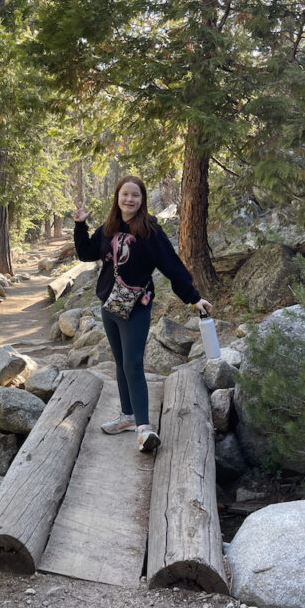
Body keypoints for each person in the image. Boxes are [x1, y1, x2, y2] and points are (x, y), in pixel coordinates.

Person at [73, 175, 212, 452]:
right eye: (125, 194)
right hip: (109, 305)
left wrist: (193, 298)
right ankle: (127, 415)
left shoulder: (149, 230)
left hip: (136, 306)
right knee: (120, 361)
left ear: (142, 199)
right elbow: (87, 254)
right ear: (117, 197)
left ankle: (144, 429)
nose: (129, 200)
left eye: (135, 195)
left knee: (134, 363)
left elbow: (171, 265)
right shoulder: (108, 227)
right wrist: (80, 225)